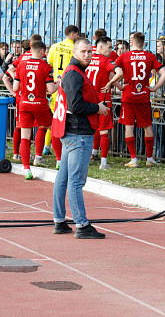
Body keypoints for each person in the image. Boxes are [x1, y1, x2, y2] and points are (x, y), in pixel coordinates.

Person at [51, 38, 110, 239]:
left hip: (71, 132)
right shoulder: (74, 75)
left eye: (89, 52)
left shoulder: (72, 72)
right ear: (75, 52)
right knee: (75, 181)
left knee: (63, 178)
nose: (87, 55)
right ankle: (82, 225)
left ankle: (60, 220)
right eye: (83, 51)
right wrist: (98, 108)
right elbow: (75, 106)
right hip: (78, 133)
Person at [116, 31, 165, 168]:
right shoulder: (150, 56)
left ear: (131, 42)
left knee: (129, 126)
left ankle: (133, 159)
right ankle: (150, 158)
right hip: (143, 95)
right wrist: (155, 87)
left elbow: (111, 71)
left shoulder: (124, 56)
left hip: (128, 95)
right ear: (144, 43)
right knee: (147, 126)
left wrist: (119, 86)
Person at [6, 41, 58, 180]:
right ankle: (59, 161)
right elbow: (51, 89)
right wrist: (60, 82)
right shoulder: (46, 67)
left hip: (24, 104)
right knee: (52, 127)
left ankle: (27, 170)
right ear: (42, 51)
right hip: (40, 104)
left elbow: (16, 87)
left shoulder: (21, 65)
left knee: (25, 136)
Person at [87, 37, 124, 169]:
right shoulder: (106, 61)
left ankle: (92, 153)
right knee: (104, 132)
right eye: (109, 47)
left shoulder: (87, 59)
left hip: (88, 101)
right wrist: (109, 84)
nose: (111, 50)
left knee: (89, 130)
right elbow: (119, 72)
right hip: (103, 101)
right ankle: (103, 162)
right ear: (100, 47)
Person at [46, 25, 80, 166]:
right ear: (73, 35)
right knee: (69, 122)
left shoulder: (54, 47)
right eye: (77, 35)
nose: (78, 37)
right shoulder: (74, 48)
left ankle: (56, 156)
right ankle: (67, 154)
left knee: (56, 122)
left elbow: (49, 65)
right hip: (70, 85)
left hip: (57, 86)